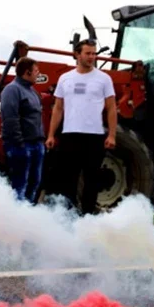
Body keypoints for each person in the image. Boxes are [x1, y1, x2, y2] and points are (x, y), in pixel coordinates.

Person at [46, 39, 118, 215]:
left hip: (94, 136)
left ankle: (87, 218)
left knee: (92, 179)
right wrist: (50, 135)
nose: (92, 57)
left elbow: (111, 108)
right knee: (68, 179)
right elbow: (58, 108)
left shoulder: (104, 79)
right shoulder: (65, 78)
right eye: (88, 53)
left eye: (94, 53)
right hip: (70, 135)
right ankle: (69, 218)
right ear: (77, 55)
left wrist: (112, 135)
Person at [0, 57, 46, 202]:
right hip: (22, 146)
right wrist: (19, 144)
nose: (38, 74)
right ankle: (16, 218)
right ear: (27, 72)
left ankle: (26, 218)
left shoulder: (32, 91)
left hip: (36, 144)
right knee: (20, 185)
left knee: (34, 183)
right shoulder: (12, 90)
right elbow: (10, 119)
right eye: (36, 71)